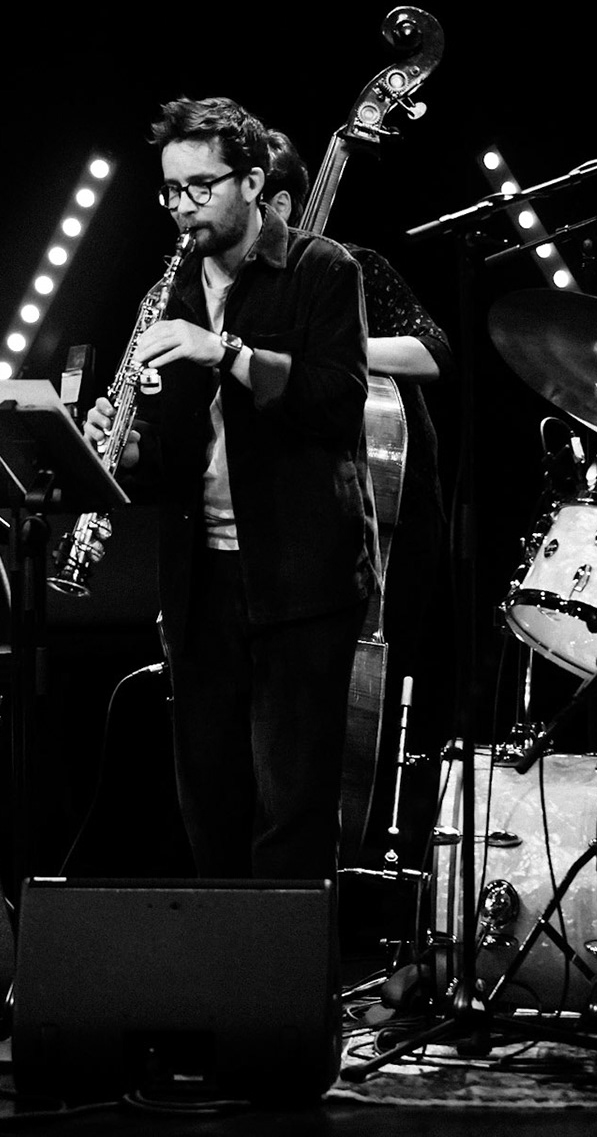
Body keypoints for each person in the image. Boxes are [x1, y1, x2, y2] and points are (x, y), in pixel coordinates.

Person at [83, 97, 375, 881]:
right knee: (207, 796)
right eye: (170, 192)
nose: (183, 209)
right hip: (199, 575)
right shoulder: (168, 290)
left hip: (300, 577)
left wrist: (227, 352)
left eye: (200, 187)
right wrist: (128, 444)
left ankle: (287, 993)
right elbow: (175, 455)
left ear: (252, 180)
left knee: (292, 804)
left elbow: (337, 403)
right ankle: (227, 987)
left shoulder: (321, 267)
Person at [260, 127, 454, 868]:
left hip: (385, 524)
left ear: (279, 199)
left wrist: (331, 348)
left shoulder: (357, 269)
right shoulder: (242, 296)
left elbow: (430, 350)